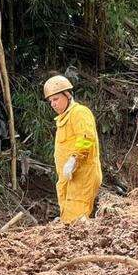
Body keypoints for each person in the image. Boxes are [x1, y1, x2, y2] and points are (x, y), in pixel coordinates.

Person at [44, 75, 102, 223]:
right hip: (68, 179)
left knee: (75, 222)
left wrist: (74, 159)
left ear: (67, 95)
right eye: (50, 101)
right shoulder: (64, 118)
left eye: (56, 99)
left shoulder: (79, 112)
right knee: (68, 220)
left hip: (83, 176)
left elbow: (87, 138)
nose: (53, 104)